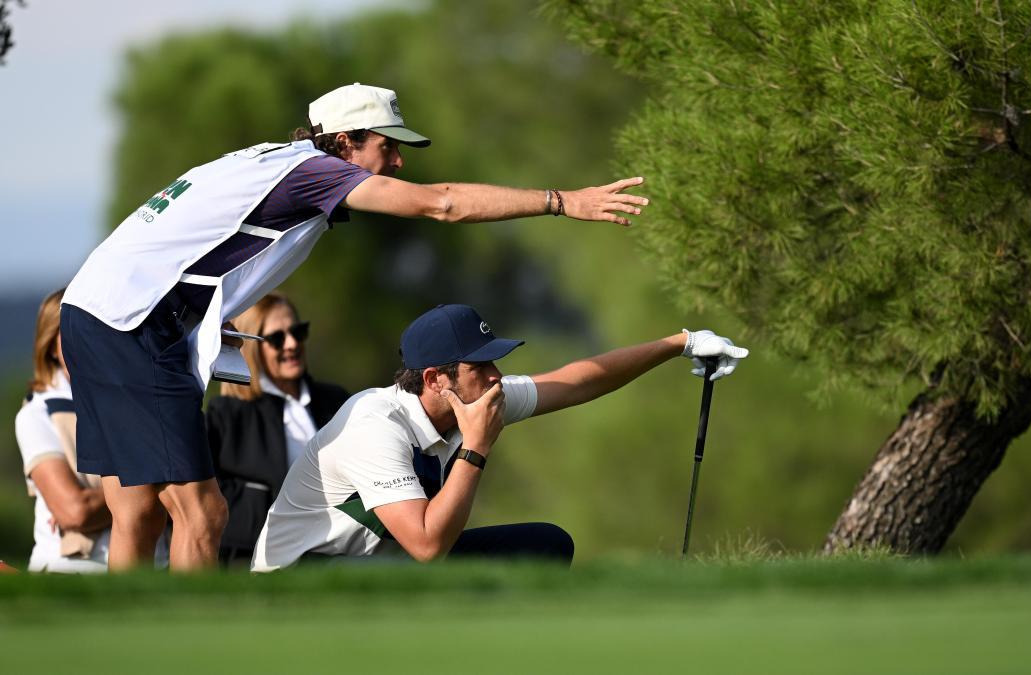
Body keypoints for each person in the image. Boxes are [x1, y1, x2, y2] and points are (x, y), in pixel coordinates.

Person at [58, 82, 651, 571]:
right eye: (386, 148)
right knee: (202, 514)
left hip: (94, 311)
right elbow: (440, 203)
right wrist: (560, 201)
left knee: (135, 508)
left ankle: (132, 635)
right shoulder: (312, 172)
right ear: (344, 142)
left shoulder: (275, 163)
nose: (396, 162)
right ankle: (197, 651)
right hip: (136, 324)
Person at [250, 304, 747, 571]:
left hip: (376, 565)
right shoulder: (374, 424)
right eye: (479, 365)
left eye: (493, 360)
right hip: (303, 577)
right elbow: (426, 546)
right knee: (410, 570)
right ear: (435, 379)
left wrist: (679, 343)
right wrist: (477, 447)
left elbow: (578, 381)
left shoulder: (475, 399)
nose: (495, 376)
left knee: (547, 545)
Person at [206, 293, 350, 567]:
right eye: (276, 338)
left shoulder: (336, 401)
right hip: (252, 558)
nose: (292, 344)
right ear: (252, 346)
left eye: (298, 331)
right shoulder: (225, 414)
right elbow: (205, 496)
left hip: (333, 552)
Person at [14, 289, 109, 572]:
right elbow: (75, 511)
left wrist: (101, 501)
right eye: (72, 332)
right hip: (73, 573)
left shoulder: (133, 401)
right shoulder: (37, 413)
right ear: (51, 346)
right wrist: (149, 494)